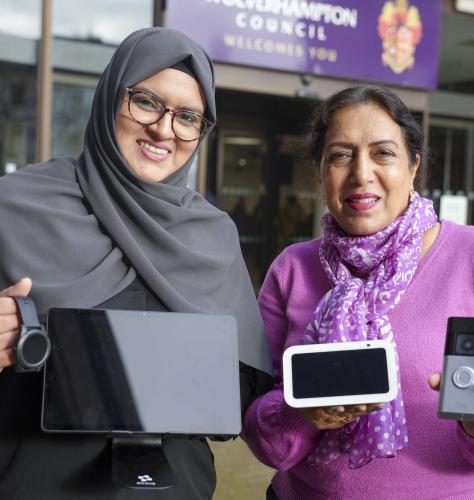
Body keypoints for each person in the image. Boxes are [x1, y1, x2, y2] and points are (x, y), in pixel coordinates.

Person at [0, 27, 272, 499]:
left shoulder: (213, 237)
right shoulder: (16, 207)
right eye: (146, 101)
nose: (165, 129)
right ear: (110, 97)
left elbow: (239, 394)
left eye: (188, 117)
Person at [241, 85, 474, 499]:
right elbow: (263, 437)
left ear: (413, 166)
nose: (361, 173)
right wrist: (301, 413)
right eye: (340, 155)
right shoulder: (292, 269)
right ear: (321, 172)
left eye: (383, 153)